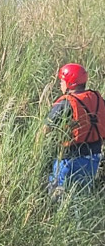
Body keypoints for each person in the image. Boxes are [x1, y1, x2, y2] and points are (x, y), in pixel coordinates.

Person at [46, 63, 105, 193]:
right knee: (80, 197)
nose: (60, 84)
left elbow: (46, 129)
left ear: (70, 83)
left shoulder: (66, 102)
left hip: (69, 160)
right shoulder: (98, 99)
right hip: (93, 159)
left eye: (62, 81)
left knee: (58, 196)